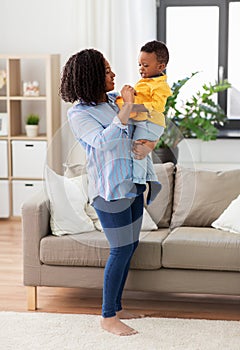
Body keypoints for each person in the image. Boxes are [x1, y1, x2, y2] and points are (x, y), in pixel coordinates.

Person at [60, 49, 161, 336]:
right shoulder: (79, 113)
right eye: (106, 71)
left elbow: (147, 119)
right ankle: (107, 317)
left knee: (130, 247)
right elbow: (103, 143)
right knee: (119, 249)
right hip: (109, 191)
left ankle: (117, 308)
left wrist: (147, 95)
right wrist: (127, 108)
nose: (113, 74)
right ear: (91, 76)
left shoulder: (114, 100)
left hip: (133, 182)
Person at [116, 40, 172, 184]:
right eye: (139, 64)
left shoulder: (160, 85)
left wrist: (136, 107)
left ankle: (138, 181)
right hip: (145, 122)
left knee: (138, 150)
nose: (141, 68)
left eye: (145, 65)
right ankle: (151, 179)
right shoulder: (145, 81)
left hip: (151, 123)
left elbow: (158, 106)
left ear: (161, 66)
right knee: (144, 152)